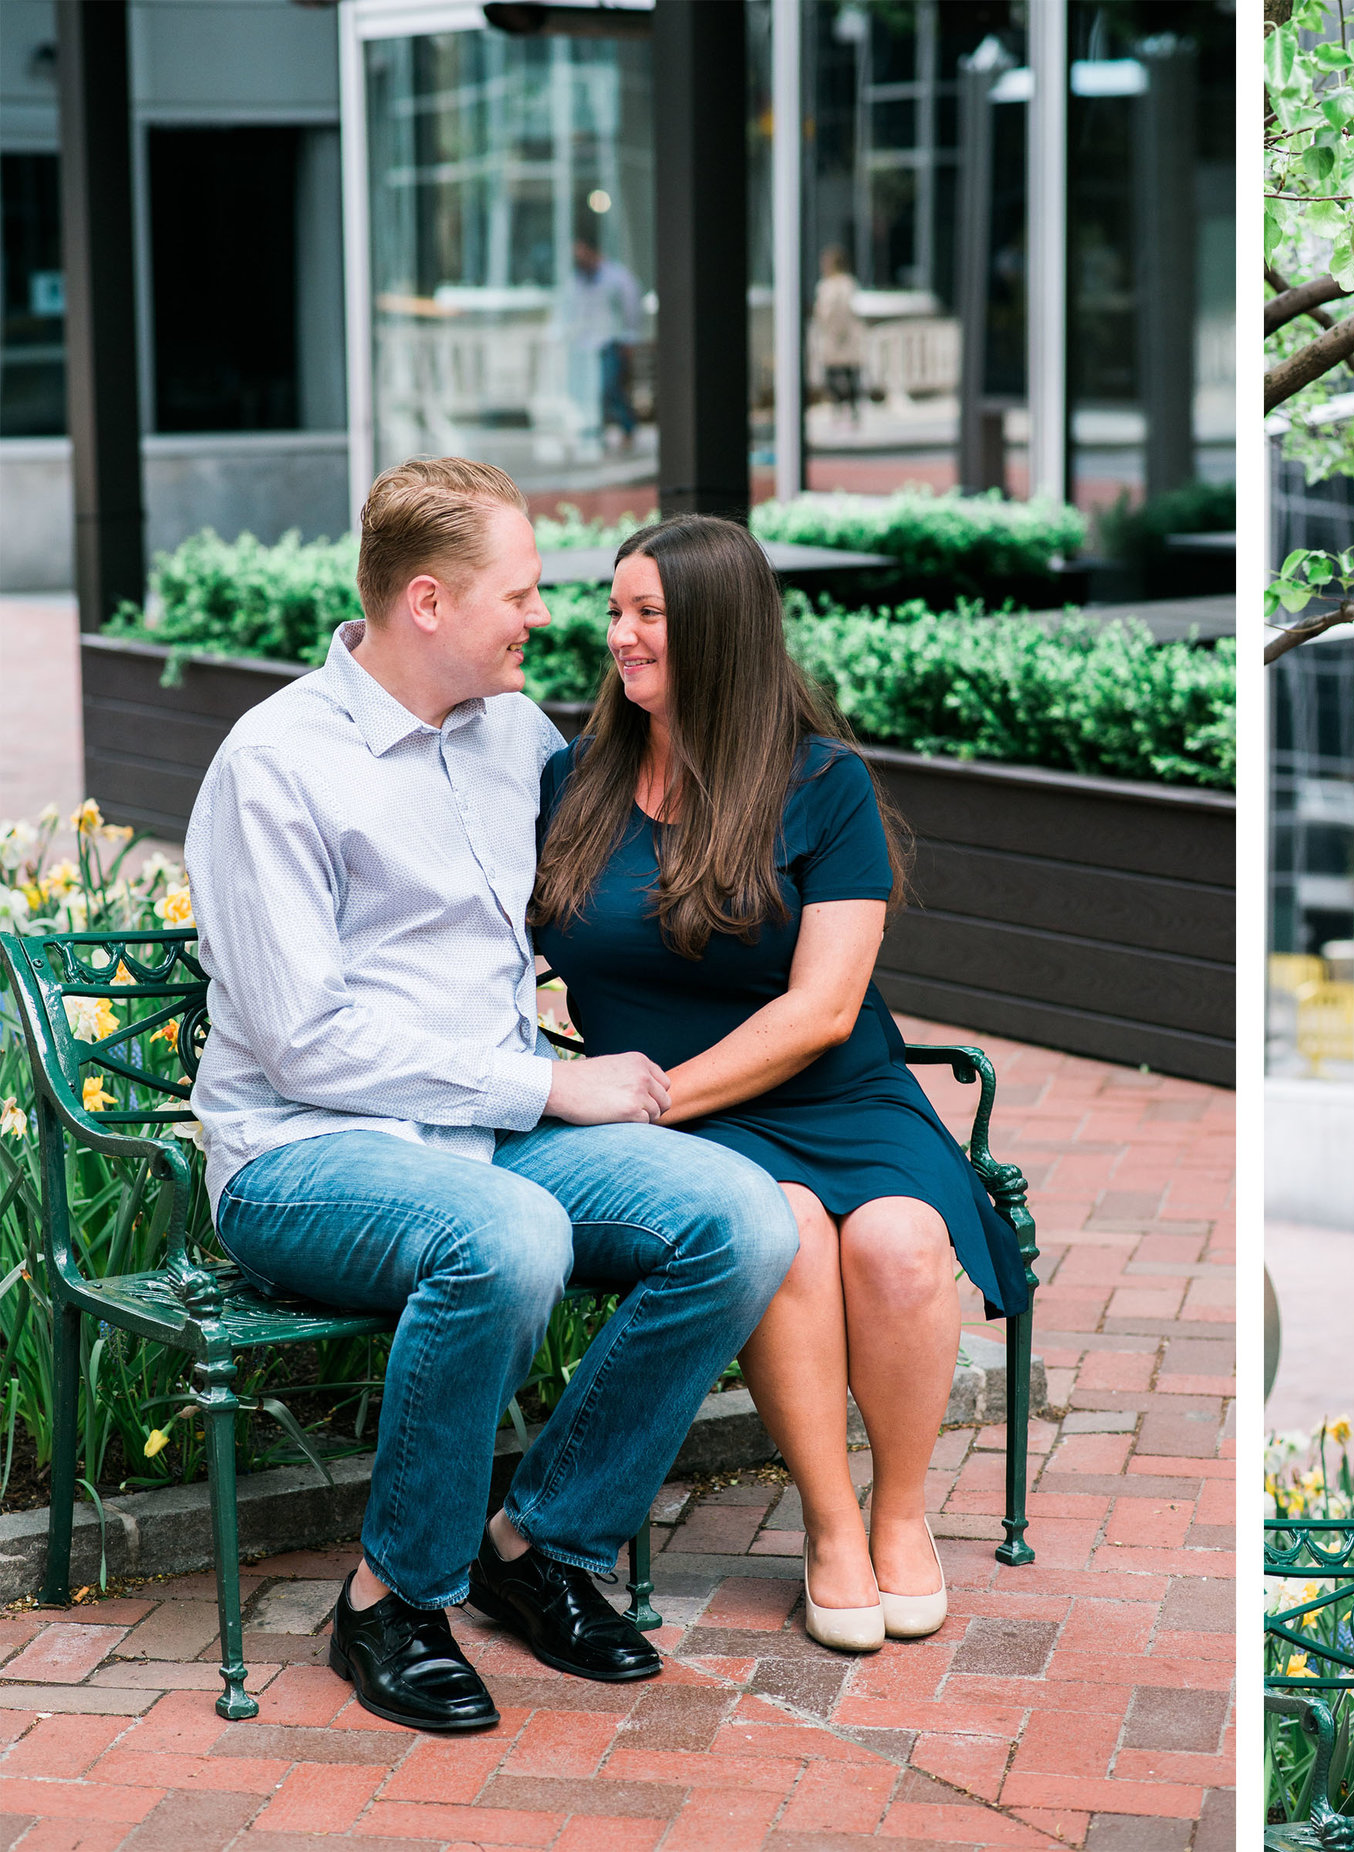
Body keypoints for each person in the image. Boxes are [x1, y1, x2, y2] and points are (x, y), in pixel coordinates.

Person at [187, 457, 803, 1735]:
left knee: (742, 1216)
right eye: (519, 594)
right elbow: (303, 1043)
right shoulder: (277, 766)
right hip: (305, 1155)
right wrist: (543, 1079)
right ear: (427, 601)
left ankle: (540, 1545)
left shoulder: (514, 739)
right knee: (508, 1237)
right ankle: (391, 1599)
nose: (544, 618)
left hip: (487, 1136)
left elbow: (642, 852)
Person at [530, 513, 1033, 1655]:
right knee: (790, 1231)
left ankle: (901, 1513)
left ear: (717, 628)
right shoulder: (577, 776)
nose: (619, 635)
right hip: (675, 1115)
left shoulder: (824, 783)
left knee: (902, 1243)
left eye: (647, 614)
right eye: (615, 610)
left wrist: (657, 1097)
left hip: (829, 1091)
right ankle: (830, 1526)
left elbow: (820, 1010)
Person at [564, 233, 642, 448]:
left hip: (612, 341)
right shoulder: (579, 279)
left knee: (610, 387)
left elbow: (631, 309)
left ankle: (627, 426)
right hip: (587, 344)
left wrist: (629, 339)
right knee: (592, 391)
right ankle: (600, 429)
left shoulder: (616, 277)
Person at [809, 245, 864, 424]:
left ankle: (843, 410)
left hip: (838, 336)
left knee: (839, 374)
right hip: (845, 336)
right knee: (846, 374)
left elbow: (823, 312)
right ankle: (846, 410)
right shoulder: (849, 283)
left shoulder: (829, 286)